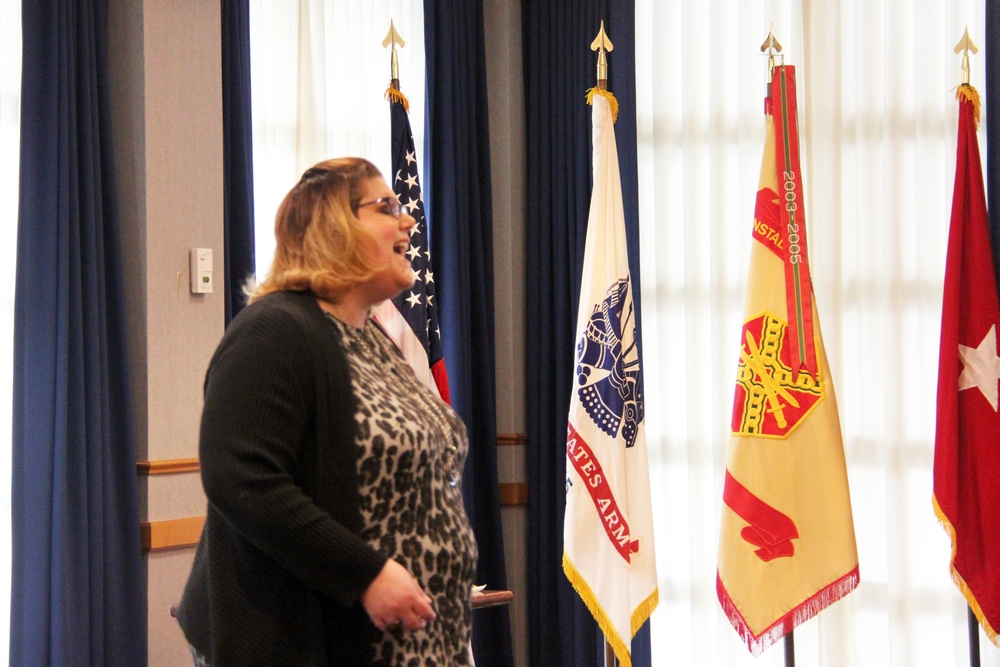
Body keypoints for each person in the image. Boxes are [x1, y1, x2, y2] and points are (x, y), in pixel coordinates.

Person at [176, 157, 478, 666]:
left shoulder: (372, 338)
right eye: (387, 207)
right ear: (332, 227)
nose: (408, 222)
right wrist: (365, 573)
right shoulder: (274, 332)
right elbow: (241, 478)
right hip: (306, 641)